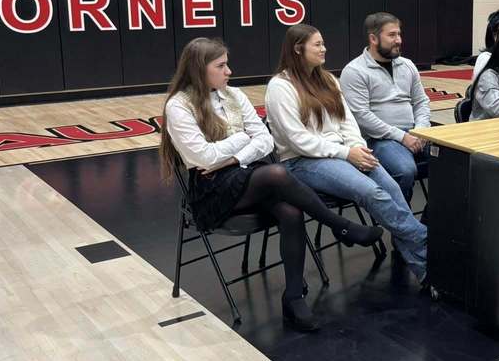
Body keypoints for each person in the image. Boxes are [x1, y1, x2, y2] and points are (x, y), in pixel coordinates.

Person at [160, 37, 381, 333]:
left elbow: (264, 141)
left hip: (247, 175)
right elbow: (203, 157)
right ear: (200, 69)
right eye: (221, 66)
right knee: (276, 174)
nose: (229, 71)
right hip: (211, 191)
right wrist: (241, 142)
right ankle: (339, 225)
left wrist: (234, 158)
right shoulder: (178, 106)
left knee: (290, 210)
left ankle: (293, 298)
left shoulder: (234, 95)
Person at [265, 24, 430, 289]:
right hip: (302, 162)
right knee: (373, 192)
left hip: (344, 153)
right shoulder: (280, 87)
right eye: (317, 44)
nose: (324, 49)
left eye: (323, 43)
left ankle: (426, 271)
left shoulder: (328, 79)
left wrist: (356, 147)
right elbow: (298, 140)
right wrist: (346, 152)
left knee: (391, 188)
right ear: (298, 49)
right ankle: (427, 240)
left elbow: (348, 121)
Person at [340, 12, 430, 206]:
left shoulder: (407, 65)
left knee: (455, 163)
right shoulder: (354, 71)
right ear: (373, 38)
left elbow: (421, 101)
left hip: (416, 133)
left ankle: (431, 223)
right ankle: (403, 232)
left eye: (399, 34)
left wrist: (421, 129)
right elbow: (362, 117)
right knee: (405, 171)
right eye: (392, 35)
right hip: (379, 139)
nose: (398, 40)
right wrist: (402, 137)